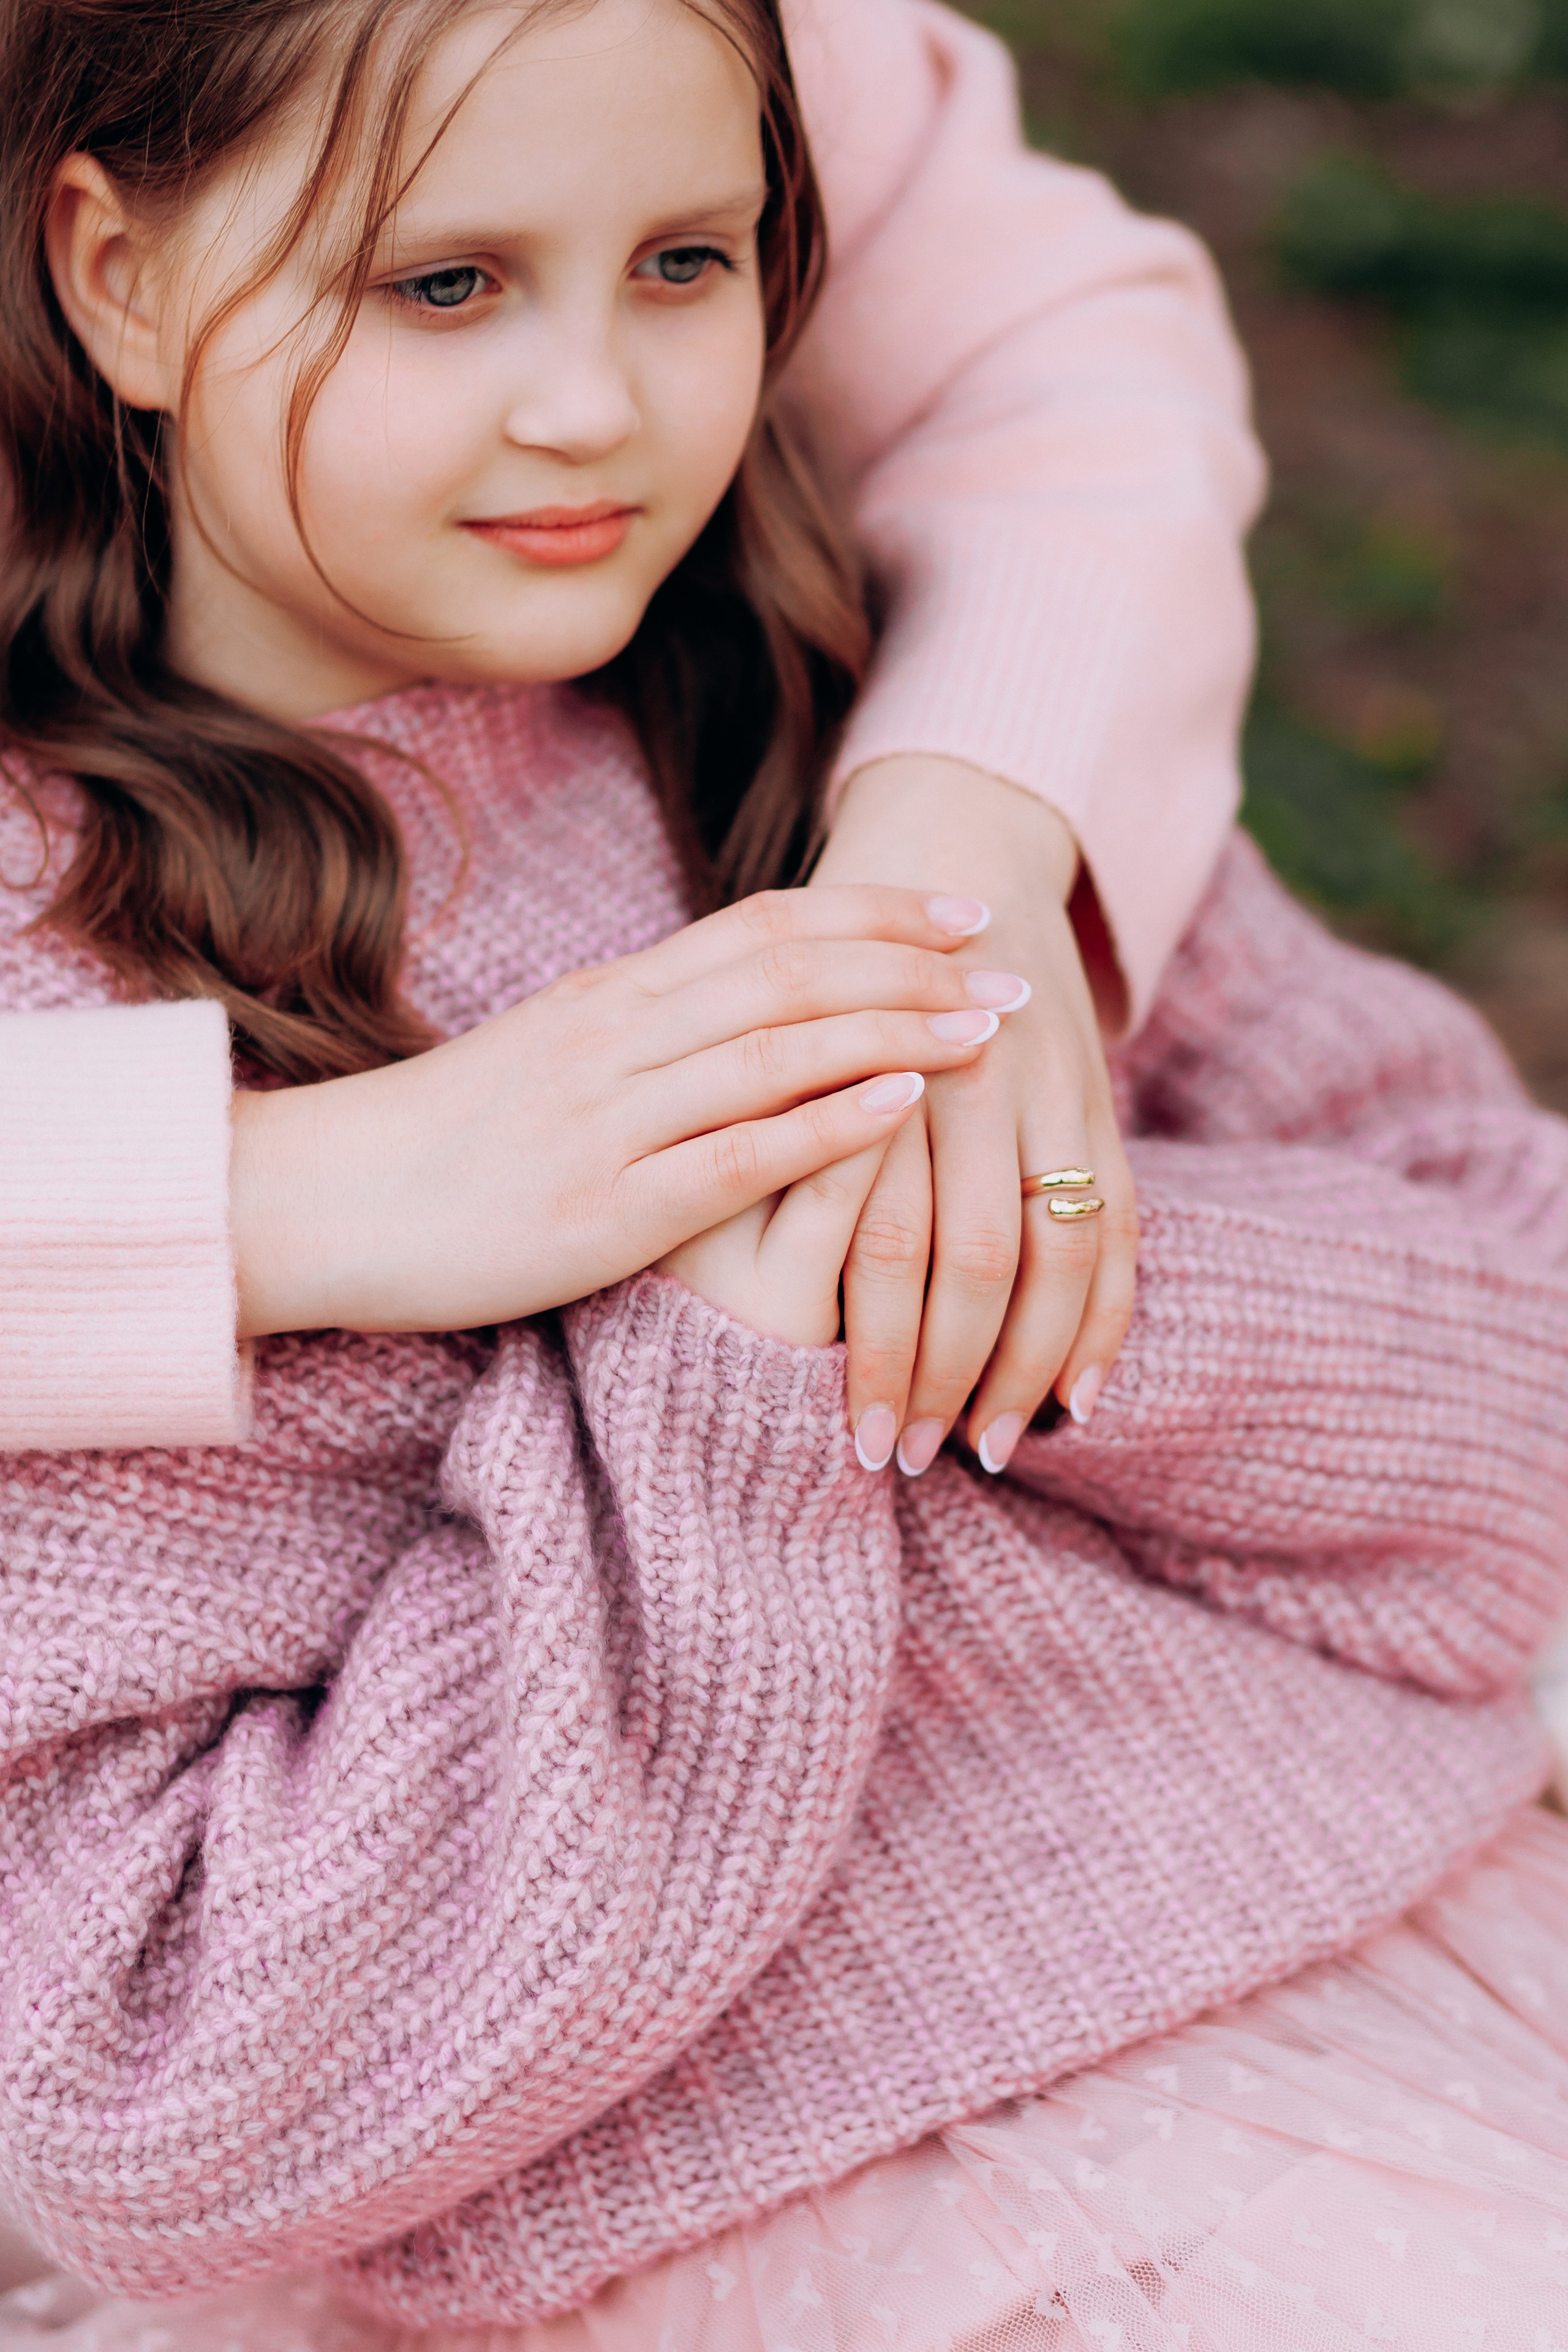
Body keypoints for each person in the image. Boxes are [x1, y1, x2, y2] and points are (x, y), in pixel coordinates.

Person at [2, 3, 1567, 2350]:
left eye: (686, 260)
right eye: (444, 284)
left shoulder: (859, 713)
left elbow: (1518, 1392)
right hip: (773, 2226)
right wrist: (714, 1379)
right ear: (114, 274)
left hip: (1415, 1949)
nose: (596, 408)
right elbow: (164, 2093)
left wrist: (946, 1250)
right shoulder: (75, 997)